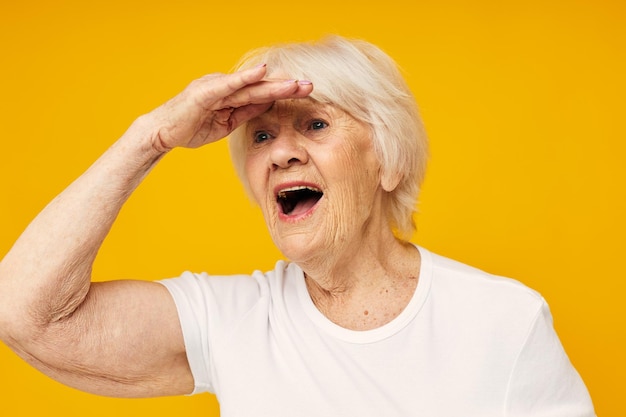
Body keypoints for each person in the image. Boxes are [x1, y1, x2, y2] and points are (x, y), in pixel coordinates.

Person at [0, 35, 595, 416]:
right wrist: (150, 138)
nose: (281, 153)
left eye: (314, 125)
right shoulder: (232, 321)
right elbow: (24, 312)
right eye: (262, 135)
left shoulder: (503, 321)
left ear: (386, 160)